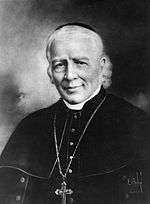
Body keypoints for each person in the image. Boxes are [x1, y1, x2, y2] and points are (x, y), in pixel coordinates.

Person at [0, 22, 149, 204]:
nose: (70, 75)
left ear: (101, 66)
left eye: (80, 63)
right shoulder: (30, 126)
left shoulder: (135, 122)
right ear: (50, 73)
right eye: (59, 65)